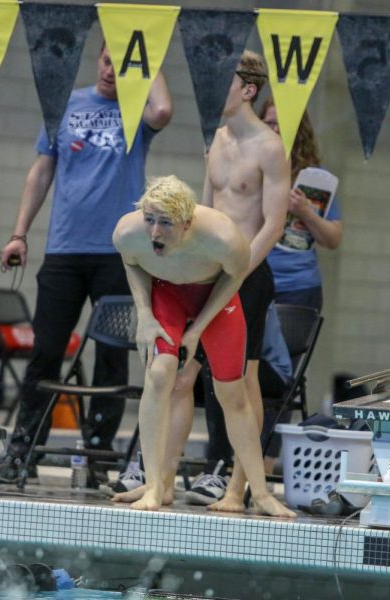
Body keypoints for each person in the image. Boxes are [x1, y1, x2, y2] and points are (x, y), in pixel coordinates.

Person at [113, 50, 289, 512]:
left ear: (248, 89)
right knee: (176, 378)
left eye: (222, 80)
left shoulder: (270, 147)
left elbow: (274, 222)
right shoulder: (218, 138)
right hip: (201, 267)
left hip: (242, 272)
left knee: (240, 385)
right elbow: (205, 210)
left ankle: (241, 489)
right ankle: (162, 483)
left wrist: (239, 269)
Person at [0, 43, 172, 481]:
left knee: (112, 357)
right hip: (65, 251)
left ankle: (97, 454)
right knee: (45, 352)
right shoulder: (68, 104)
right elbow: (41, 171)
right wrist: (19, 233)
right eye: (106, 60)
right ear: (97, 59)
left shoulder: (137, 109)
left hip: (120, 255)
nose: (112, 70)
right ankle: (25, 450)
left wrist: (147, 60)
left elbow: (164, 109)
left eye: (122, 63)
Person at [259, 99, 342, 311]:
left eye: (283, 124)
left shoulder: (315, 179)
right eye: (269, 123)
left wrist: (306, 212)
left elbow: (333, 239)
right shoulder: (251, 172)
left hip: (297, 287)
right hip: (254, 279)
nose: (275, 130)